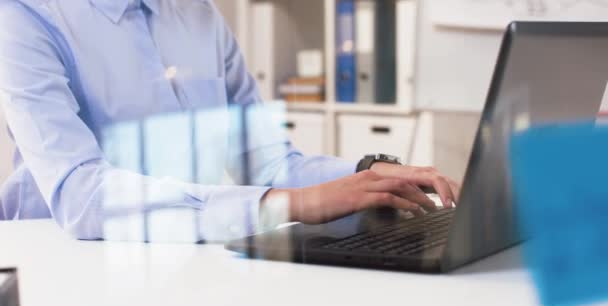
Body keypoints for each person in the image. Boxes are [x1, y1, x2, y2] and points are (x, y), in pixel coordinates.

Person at [0, 0, 459, 240]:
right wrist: (283, 205)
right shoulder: (24, 17)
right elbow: (82, 195)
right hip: (64, 269)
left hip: (184, 260)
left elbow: (270, 163)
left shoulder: (198, 14)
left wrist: (367, 175)